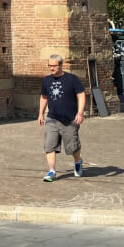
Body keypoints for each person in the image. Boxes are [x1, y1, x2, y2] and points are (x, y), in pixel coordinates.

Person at [38, 54, 86, 182]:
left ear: (61, 65)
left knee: (72, 147)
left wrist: (80, 113)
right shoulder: (46, 80)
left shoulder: (72, 79)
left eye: (54, 66)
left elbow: (81, 95)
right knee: (49, 146)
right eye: (50, 65)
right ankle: (52, 171)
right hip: (52, 119)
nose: (51, 68)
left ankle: (77, 162)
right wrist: (40, 114)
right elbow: (44, 97)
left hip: (70, 120)